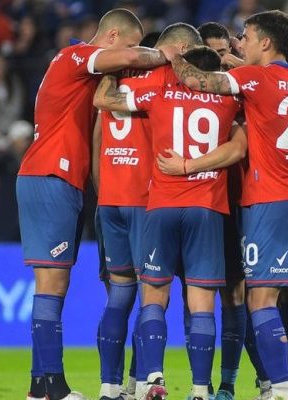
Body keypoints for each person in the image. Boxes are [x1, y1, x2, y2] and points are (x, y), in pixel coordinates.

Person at [167, 10, 288, 400]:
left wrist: (175, 57)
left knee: (260, 298)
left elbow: (199, 81)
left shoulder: (253, 77)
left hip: (270, 199)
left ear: (265, 42)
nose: (241, 43)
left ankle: (281, 390)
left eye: (246, 37)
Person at [15, 8, 175, 400]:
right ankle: (52, 384)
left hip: (55, 178)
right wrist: (166, 53)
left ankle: (40, 385)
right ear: (114, 36)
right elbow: (133, 58)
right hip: (51, 175)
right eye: (132, 43)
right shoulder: (74, 55)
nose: (135, 53)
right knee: (51, 283)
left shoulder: (79, 72)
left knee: (56, 282)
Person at [94, 46, 243, 400]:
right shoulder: (228, 102)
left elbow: (104, 99)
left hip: (160, 207)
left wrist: (117, 65)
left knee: (154, 298)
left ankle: (154, 378)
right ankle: (199, 390)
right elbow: (241, 145)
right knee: (202, 302)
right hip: (207, 208)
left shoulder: (158, 93)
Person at [92, 22, 203, 400]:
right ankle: (144, 382)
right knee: (153, 295)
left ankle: (109, 386)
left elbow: (98, 126)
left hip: (109, 197)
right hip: (144, 198)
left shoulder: (114, 79)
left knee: (118, 296)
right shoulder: (163, 82)